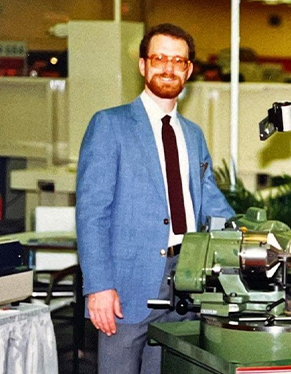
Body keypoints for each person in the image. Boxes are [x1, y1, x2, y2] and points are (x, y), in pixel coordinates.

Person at [76, 24, 234, 374]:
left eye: (178, 61)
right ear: (143, 65)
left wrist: (258, 239)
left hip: (187, 284)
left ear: (189, 70)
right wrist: (99, 286)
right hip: (127, 287)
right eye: (159, 58)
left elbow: (211, 202)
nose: (168, 68)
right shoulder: (109, 125)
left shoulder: (192, 135)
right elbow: (92, 213)